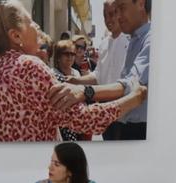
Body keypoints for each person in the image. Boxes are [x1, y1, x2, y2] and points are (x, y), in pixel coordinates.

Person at [0, 0, 147, 142]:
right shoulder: (29, 66)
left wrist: (78, 84)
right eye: (30, 21)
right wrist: (133, 99)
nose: (37, 26)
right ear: (16, 36)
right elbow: (85, 119)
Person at [44, 0, 150, 140]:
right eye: (106, 15)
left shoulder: (148, 40)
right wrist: (77, 81)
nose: (114, 18)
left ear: (141, 4)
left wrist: (85, 91)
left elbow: (131, 85)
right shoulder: (115, 42)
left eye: (119, 9)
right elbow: (99, 75)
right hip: (112, 115)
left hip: (136, 125)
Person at [93, 2, 129, 86]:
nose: (108, 20)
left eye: (111, 14)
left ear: (120, 13)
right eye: (105, 16)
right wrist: (74, 80)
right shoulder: (103, 44)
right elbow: (97, 76)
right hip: (103, 98)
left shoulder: (131, 41)